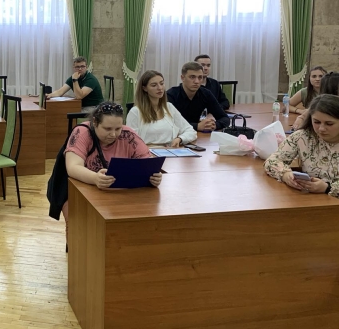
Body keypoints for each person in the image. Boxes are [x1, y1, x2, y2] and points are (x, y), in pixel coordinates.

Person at [61, 102, 161, 237]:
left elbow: (148, 162)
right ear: (95, 122)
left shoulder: (129, 135)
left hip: (119, 195)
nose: (113, 134)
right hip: (80, 192)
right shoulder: (82, 132)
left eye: (118, 128)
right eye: (107, 129)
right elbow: (73, 167)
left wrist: (154, 176)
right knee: (78, 227)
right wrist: (95, 178)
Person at [265, 94, 339, 198]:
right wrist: (285, 175)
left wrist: (327, 188)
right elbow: (272, 161)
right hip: (311, 200)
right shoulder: (303, 137)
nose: (321, 128)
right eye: (316, 122)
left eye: (329, 124)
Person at [126, 70, 197, 146]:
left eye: (162, 83)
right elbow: (130, 140)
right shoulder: (135, 112)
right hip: (147, 151)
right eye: (154, 85)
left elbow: (190, 131)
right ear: (144, 88)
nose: (160, 88)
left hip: (170, 150)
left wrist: (180, 139)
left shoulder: (169, 107)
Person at [166, 62, 230, 132]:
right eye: (192, 77)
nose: (196, 81)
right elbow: (168, 124)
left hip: (197, 135)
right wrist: (197, 126)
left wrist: (214, 125)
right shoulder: (171, 95)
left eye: (200, 77)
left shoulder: (205, 93)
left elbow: (225, 118)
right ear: (182, 78)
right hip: (176, 135)